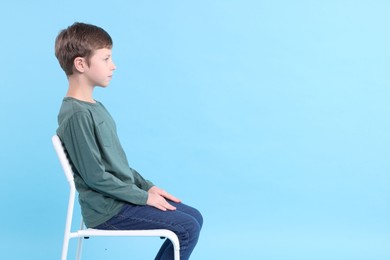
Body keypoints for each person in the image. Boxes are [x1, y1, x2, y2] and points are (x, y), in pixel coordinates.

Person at [54, 22, 203, 260]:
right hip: (107, 210)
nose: (113, 66)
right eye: (106, 59)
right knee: (187, 227)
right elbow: (95, 177)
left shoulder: (94, 107)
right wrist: (144, 197)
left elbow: (117, 165)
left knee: (194, 217)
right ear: (81, 64)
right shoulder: (76, 115)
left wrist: (148, 186)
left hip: (121, 198)